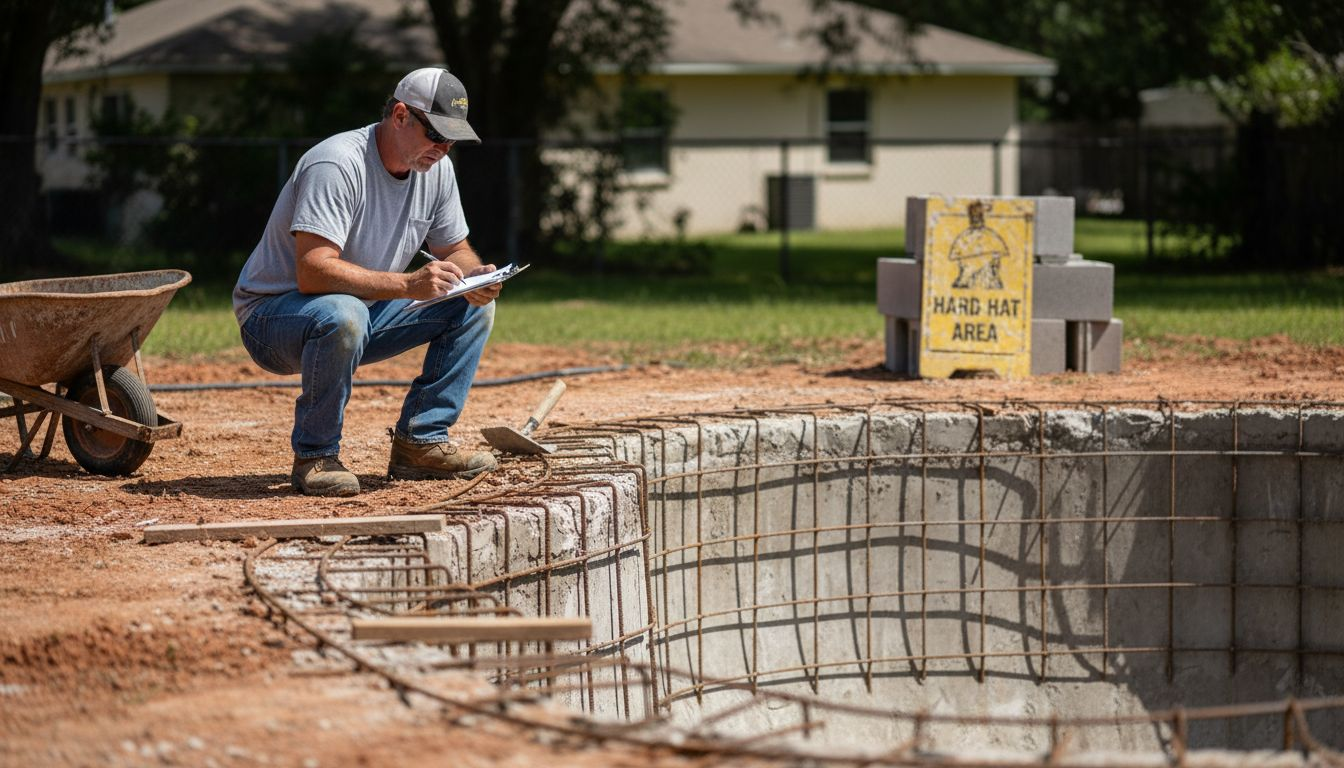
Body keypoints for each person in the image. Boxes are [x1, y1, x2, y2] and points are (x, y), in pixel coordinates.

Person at [232, 67, 500, 497]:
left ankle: (421, 444)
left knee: (471, 306)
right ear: (400, 115)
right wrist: (408, 285)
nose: (443, 148)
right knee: (346, 313)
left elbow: (455, 249)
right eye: (436, 134)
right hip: (273, 317)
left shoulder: (437, 171)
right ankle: (316, 455)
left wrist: (474, 275)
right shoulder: (337, 163)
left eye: (452, 139)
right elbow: (313, 270)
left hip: (359, 311)